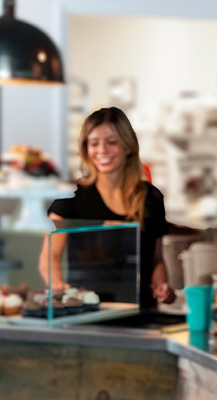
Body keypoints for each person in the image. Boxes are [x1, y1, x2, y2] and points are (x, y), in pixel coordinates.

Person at [41, 107, 176, 309]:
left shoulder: (151, 197)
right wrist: (57, 286)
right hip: (88, 311)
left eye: (112, 142)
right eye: (94, 143)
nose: (102, 150)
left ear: (128, 146)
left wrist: (161, 286)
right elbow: (50, 256)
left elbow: (156, 259)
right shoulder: (70, 197)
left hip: (140, 312)